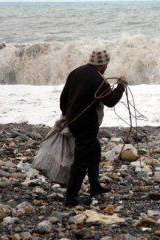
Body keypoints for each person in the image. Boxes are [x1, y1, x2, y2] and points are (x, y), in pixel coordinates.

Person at [60, 49, 127, 207]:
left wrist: (66, 116)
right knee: (81, 159)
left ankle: (95, 187)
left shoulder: (75, 72)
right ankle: (71, 197)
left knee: (94, 150)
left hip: (73, 120)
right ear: (103, 64)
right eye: (106, 64)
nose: (106, 67)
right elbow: (111, 101)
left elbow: (63, 98)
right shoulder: (98, 80)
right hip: (86, 124)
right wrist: (121, 87)